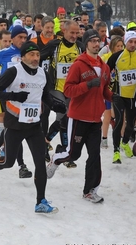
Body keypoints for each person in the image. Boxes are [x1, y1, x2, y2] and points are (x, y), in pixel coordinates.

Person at [0, 41, 66, 213]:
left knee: (40, 164)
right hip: (14, 125)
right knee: (8, 162)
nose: (36, 58)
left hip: (34, 126)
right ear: (23, 57)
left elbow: (45, 96)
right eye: (31, 55)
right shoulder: (14, 72)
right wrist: (14, 96)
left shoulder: (43, 73)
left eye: (37, 55)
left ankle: (40, 201)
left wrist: (57, 105)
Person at [47, 29, 113, 203]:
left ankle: (90, 190)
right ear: (85, 44)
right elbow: (68, 90)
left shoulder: (104, 67)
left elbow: (104, 90)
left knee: (94, 156)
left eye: (98, 41)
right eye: (92, 41)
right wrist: (87, 85)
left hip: (95, 120)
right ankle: (55, 159)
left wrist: (115, 97)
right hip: (78, 118)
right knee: (72, 155)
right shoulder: (79, 64)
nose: (96, 44)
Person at [0, 26, 34, 179]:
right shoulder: (3, 53)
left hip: (21, 97)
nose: (22, 40)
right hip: (4, 95)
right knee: (7, 123)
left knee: (15, 127)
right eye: (19, 37)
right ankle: (17, 161)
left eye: (24, 38)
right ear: (13, 38)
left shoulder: (29, 53)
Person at [41, 20, 84, 168]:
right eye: (71, 32)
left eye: (76, 33)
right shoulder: (54, 45)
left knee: (67, 119)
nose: (74, 36)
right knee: (64, 114)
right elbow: (37, 58)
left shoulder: (80, 47)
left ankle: (60, 148)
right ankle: (58, 146)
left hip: (72, 90)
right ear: (63, 32)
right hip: (56, 89)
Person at [106, 31, 136, 163]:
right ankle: (116, 151)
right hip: (118, 95)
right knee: (119, 122)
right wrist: (108, 87)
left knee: (131, 124)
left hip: (133, 97)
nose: (132, 45)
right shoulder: (116, 57)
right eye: (130, 42)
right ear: (126, 42)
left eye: (135, 42)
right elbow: (106, 72)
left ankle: (125, 143)